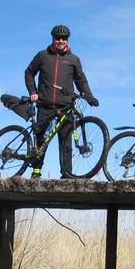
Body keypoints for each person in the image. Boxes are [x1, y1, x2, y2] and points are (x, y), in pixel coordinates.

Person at [24, 24, 99, 179]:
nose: (60, 41)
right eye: (58, 38)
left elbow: (81, 80)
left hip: (66, 106)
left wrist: (89, 96)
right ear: (53, 38)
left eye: (64, 38)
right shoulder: (42, 56)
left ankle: (66, 174)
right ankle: (36, 171)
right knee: (41, 138)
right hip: (45, 105)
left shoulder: (74, 59)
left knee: (66, 142)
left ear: (67, 40)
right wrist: (33, 92)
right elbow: (29, 73)